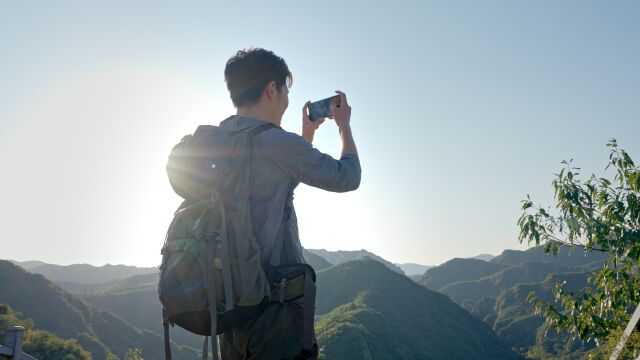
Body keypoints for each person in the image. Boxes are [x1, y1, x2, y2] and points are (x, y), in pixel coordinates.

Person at [217, 48, 361, 359]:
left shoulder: (222, 137)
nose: (286, 97)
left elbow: (274, 186)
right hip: (275, 310)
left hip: (229, 305)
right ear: (272, 88)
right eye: (285, 89)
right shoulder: (276, 142)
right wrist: (343, 126)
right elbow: (348, 177)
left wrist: (305, 136)